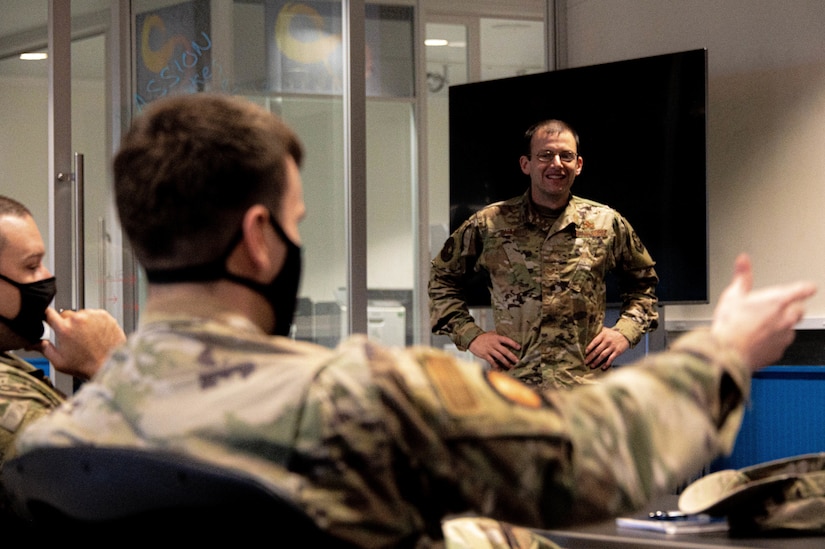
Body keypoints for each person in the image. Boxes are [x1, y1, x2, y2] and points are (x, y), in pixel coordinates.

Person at [15, 94, 816, 548]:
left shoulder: (58, 438)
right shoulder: (364, 396)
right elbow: (608, 455)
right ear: (260, 240)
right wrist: (727, 347)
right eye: (298, 219)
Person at [429, 119, 659, 389]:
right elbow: (441, 278)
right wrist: (471, 336)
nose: (557, 164)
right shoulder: (490, 224)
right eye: (545, 155)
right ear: (526, 164)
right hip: (516, 389)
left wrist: (625, 332)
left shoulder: (605, 223)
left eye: (566, 156)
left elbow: (644, 285)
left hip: (583, 389)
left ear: (579, 165)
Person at [0, 195, 125, 466]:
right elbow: (120, 484)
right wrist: (110, 366)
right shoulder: (10, 405)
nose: (46, 276)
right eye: (31, 266)